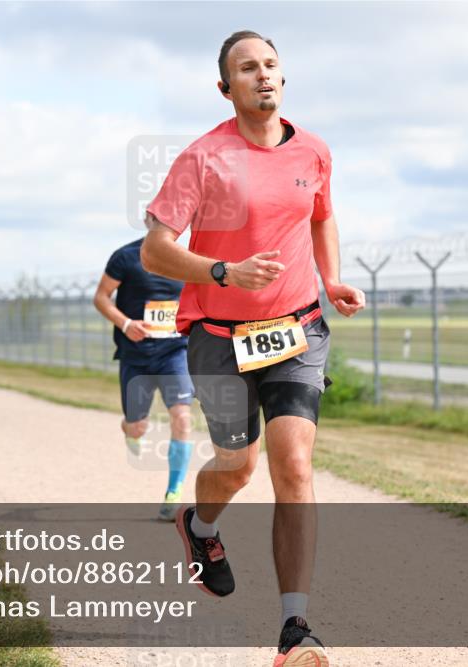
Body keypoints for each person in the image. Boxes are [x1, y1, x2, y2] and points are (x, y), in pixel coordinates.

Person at [140, 30, 366, 667]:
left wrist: (332, 277)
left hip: (297, 330)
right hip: (217, 337)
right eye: (247, 68)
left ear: (282, 77)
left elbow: (321, 214)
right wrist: (221, 272)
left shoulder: (315, 150)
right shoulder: (203, 158)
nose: (263, 75)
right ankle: (200, 526)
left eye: (270, 65)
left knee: (293, 465)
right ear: (226, 87)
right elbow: (155, 249)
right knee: (236, 467)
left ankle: (296, 628)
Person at [94, 238, 196, 521]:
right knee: (137, 426)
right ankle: (130, 429)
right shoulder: (125, 257)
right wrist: (126, 324)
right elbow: (101, 297)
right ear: (150, 220)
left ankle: (173, 493)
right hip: (136, 354)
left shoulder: (188, 257)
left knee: (182, 417)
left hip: (175, 351)